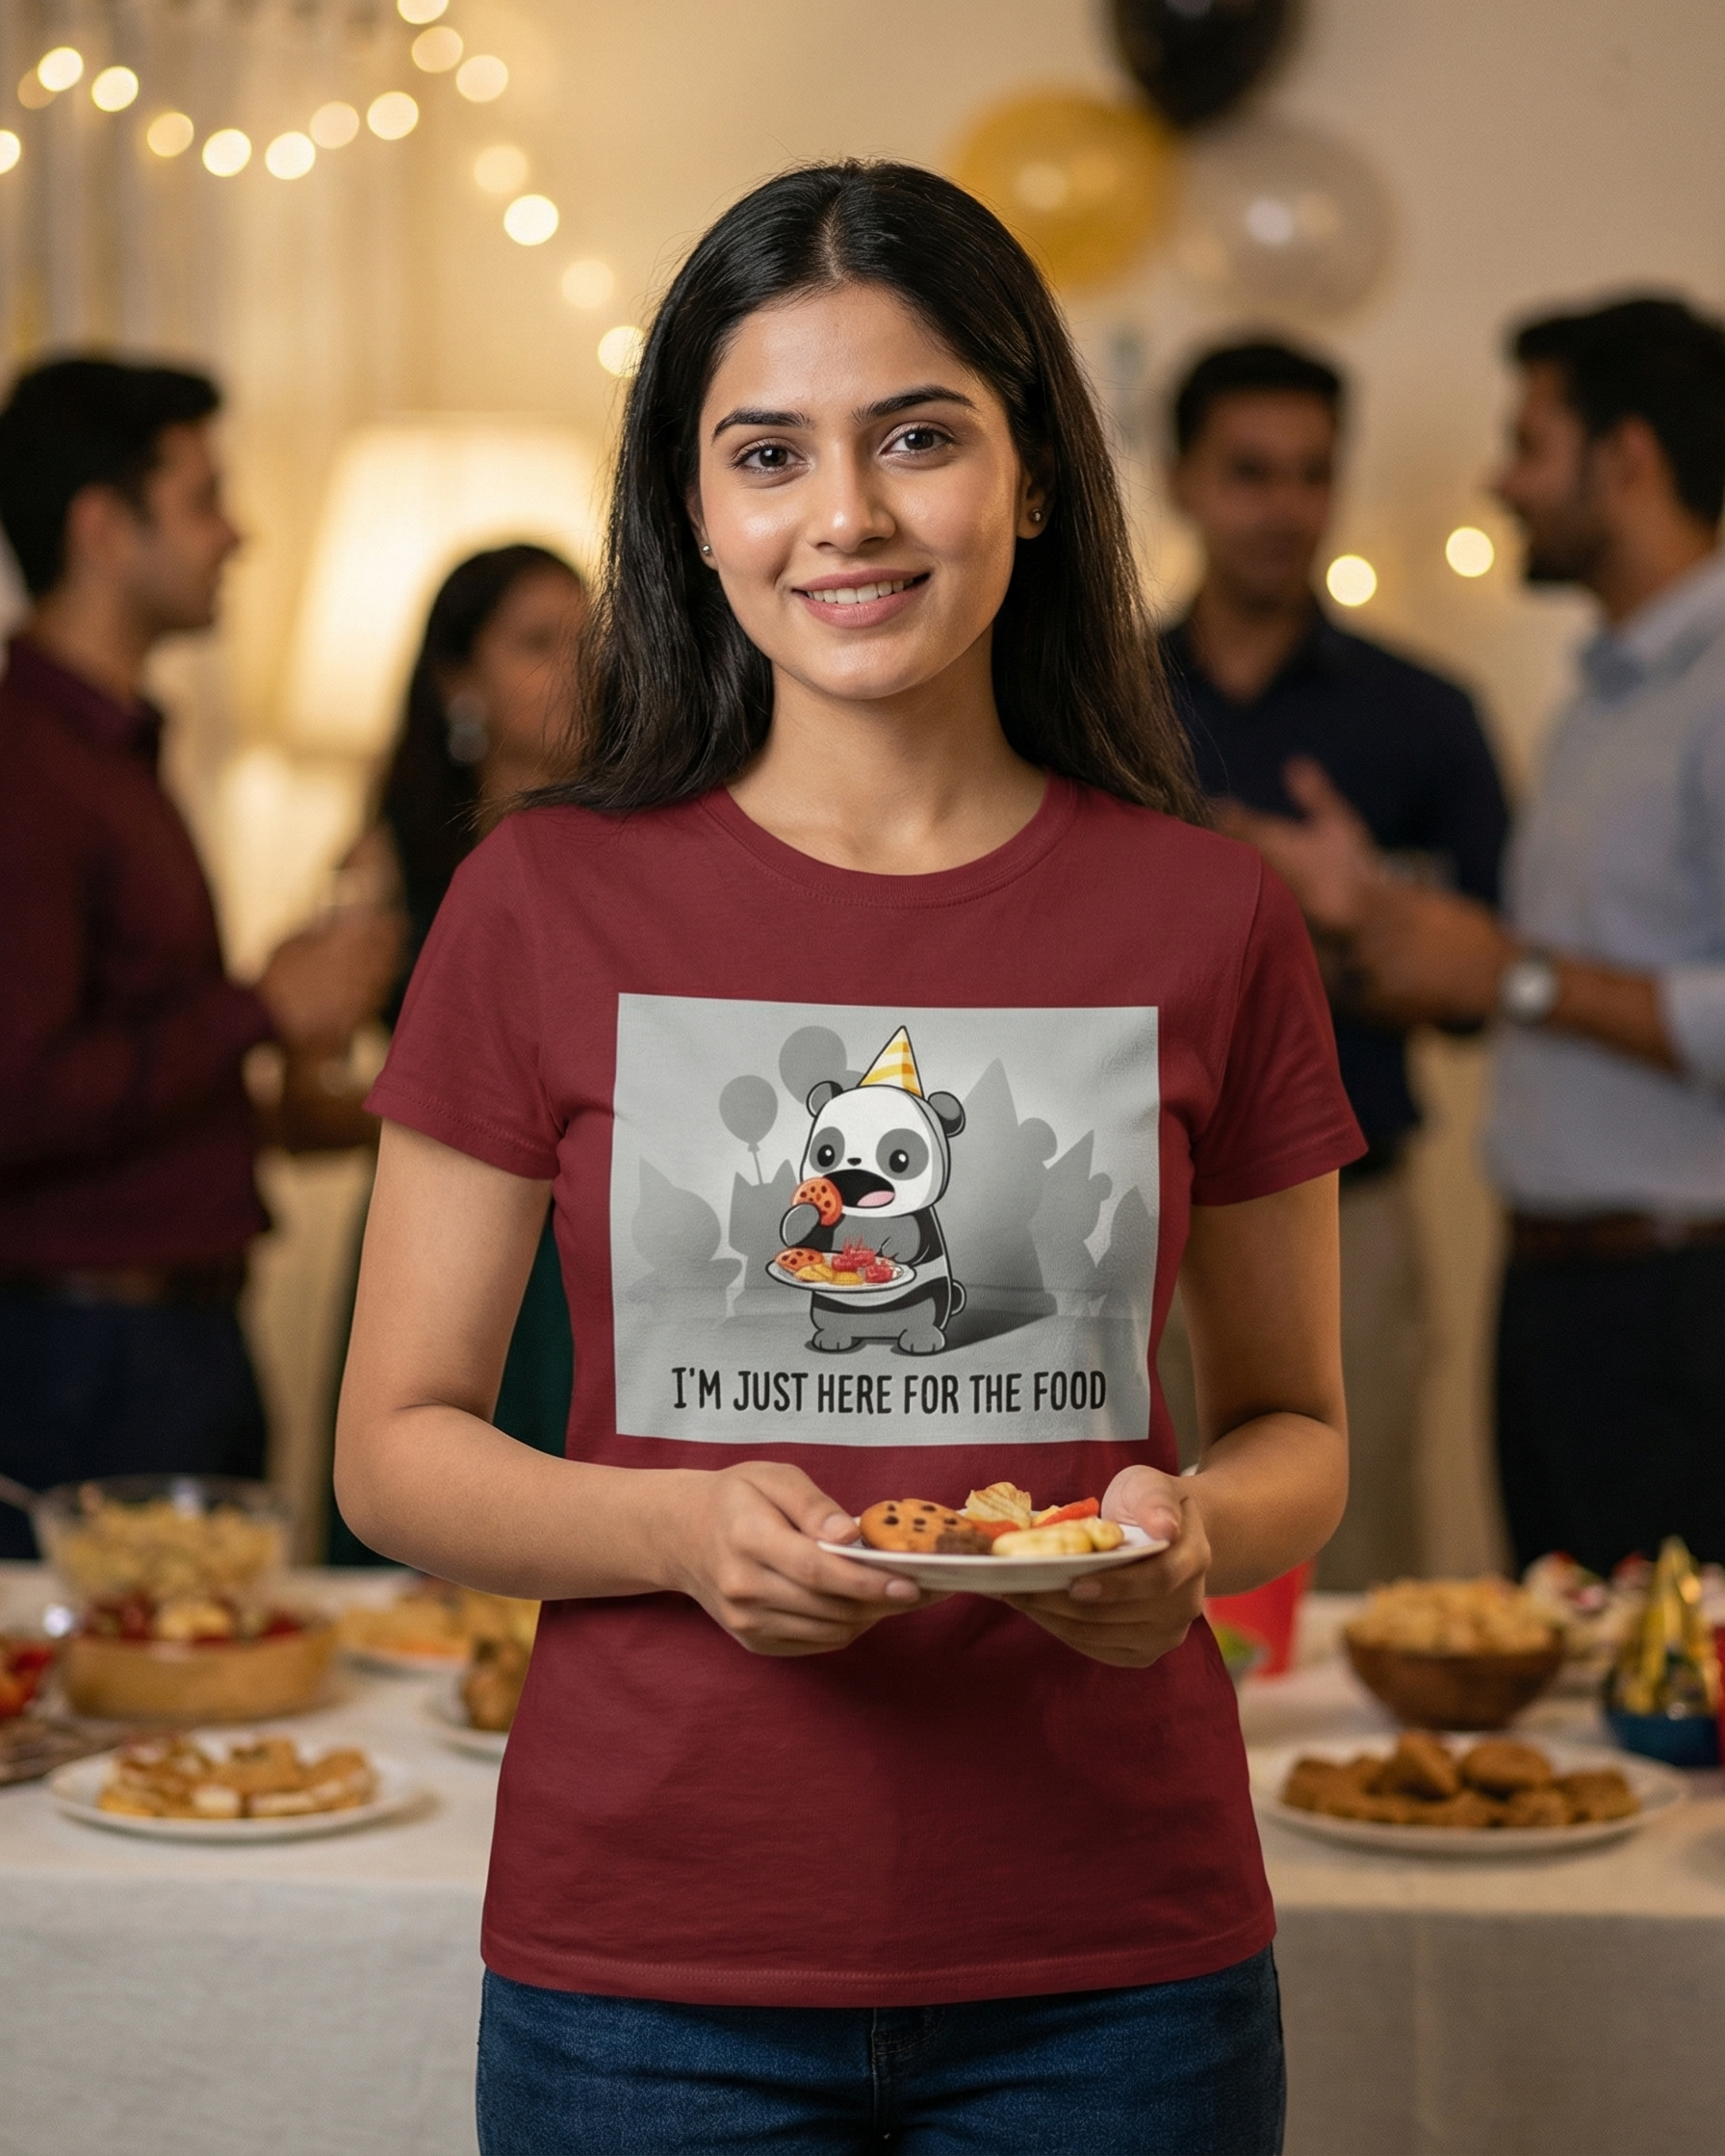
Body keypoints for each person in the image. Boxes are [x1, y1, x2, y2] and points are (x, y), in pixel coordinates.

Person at [336, 163, 1360, 2155]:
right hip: (648, 1965)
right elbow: (393, 1446)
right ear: (696, 510)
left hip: (1112, 1962)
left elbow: (1300, 1422)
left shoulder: (1209, 917)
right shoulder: (539, 902)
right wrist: (672, 1531)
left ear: (1032, 474)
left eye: (917, 436)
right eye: (767, 452)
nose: (848, 517)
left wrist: (1195, 1541)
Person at [1328, 295, 1725, 1576]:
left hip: (1681, 1299)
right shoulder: (1606, 697)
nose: (1501, 481)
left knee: (1679, 1730)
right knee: (1576, 1722)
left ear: (1628, 459)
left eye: (1530, 441)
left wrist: (1512, 975)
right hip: (1564, 1290)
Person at [0, 356, 399, 1558]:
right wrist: (258, 1009)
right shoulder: (30, 769)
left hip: (167, 1334)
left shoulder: (112, 753)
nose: (240, 533)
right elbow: (18, 1094)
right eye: (205, 496)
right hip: (86, 1353)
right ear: (103, 527)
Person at [1155, 339, 1509, 1587]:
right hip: (1124, 1213)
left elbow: (1485, 995)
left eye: (1312, 475)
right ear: (1181, 480)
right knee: (1114, 1564)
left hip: (1345, 1220)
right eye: (1250, 472)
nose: (1285, 508)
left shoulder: (1424, 715)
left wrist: (1352, 912)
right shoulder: (1097, 704)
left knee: (1352, 1578)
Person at [326, 544, 589, 1560]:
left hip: (579, 1247)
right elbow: (306, 1081)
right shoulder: (391, 853)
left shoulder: (631, 853)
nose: (577, 669)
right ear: (457, 677)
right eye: (537, 644)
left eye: (588, 641)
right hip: (436, 1231)